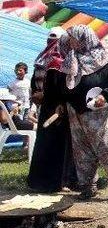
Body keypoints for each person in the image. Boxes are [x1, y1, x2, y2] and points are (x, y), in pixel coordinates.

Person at [59, 25, 108, 203]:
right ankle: (88, 187)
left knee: (107, 149)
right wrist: (62, 103)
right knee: (82, 152)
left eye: (73, 37)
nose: (70, 40)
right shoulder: (70, 61)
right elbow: (65, 86)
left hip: (102, 114)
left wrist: (106, 95)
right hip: (76, 114)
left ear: (84, 38)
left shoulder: (106, 61)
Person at [27, 28, 78, 192]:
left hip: (49, 107)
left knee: (46, 144)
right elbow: (56, 89)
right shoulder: (59, 62)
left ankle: (42, 180)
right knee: (57, 146)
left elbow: (37, 86)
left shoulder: (44, 59)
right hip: (57, 110)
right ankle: (57, 181)